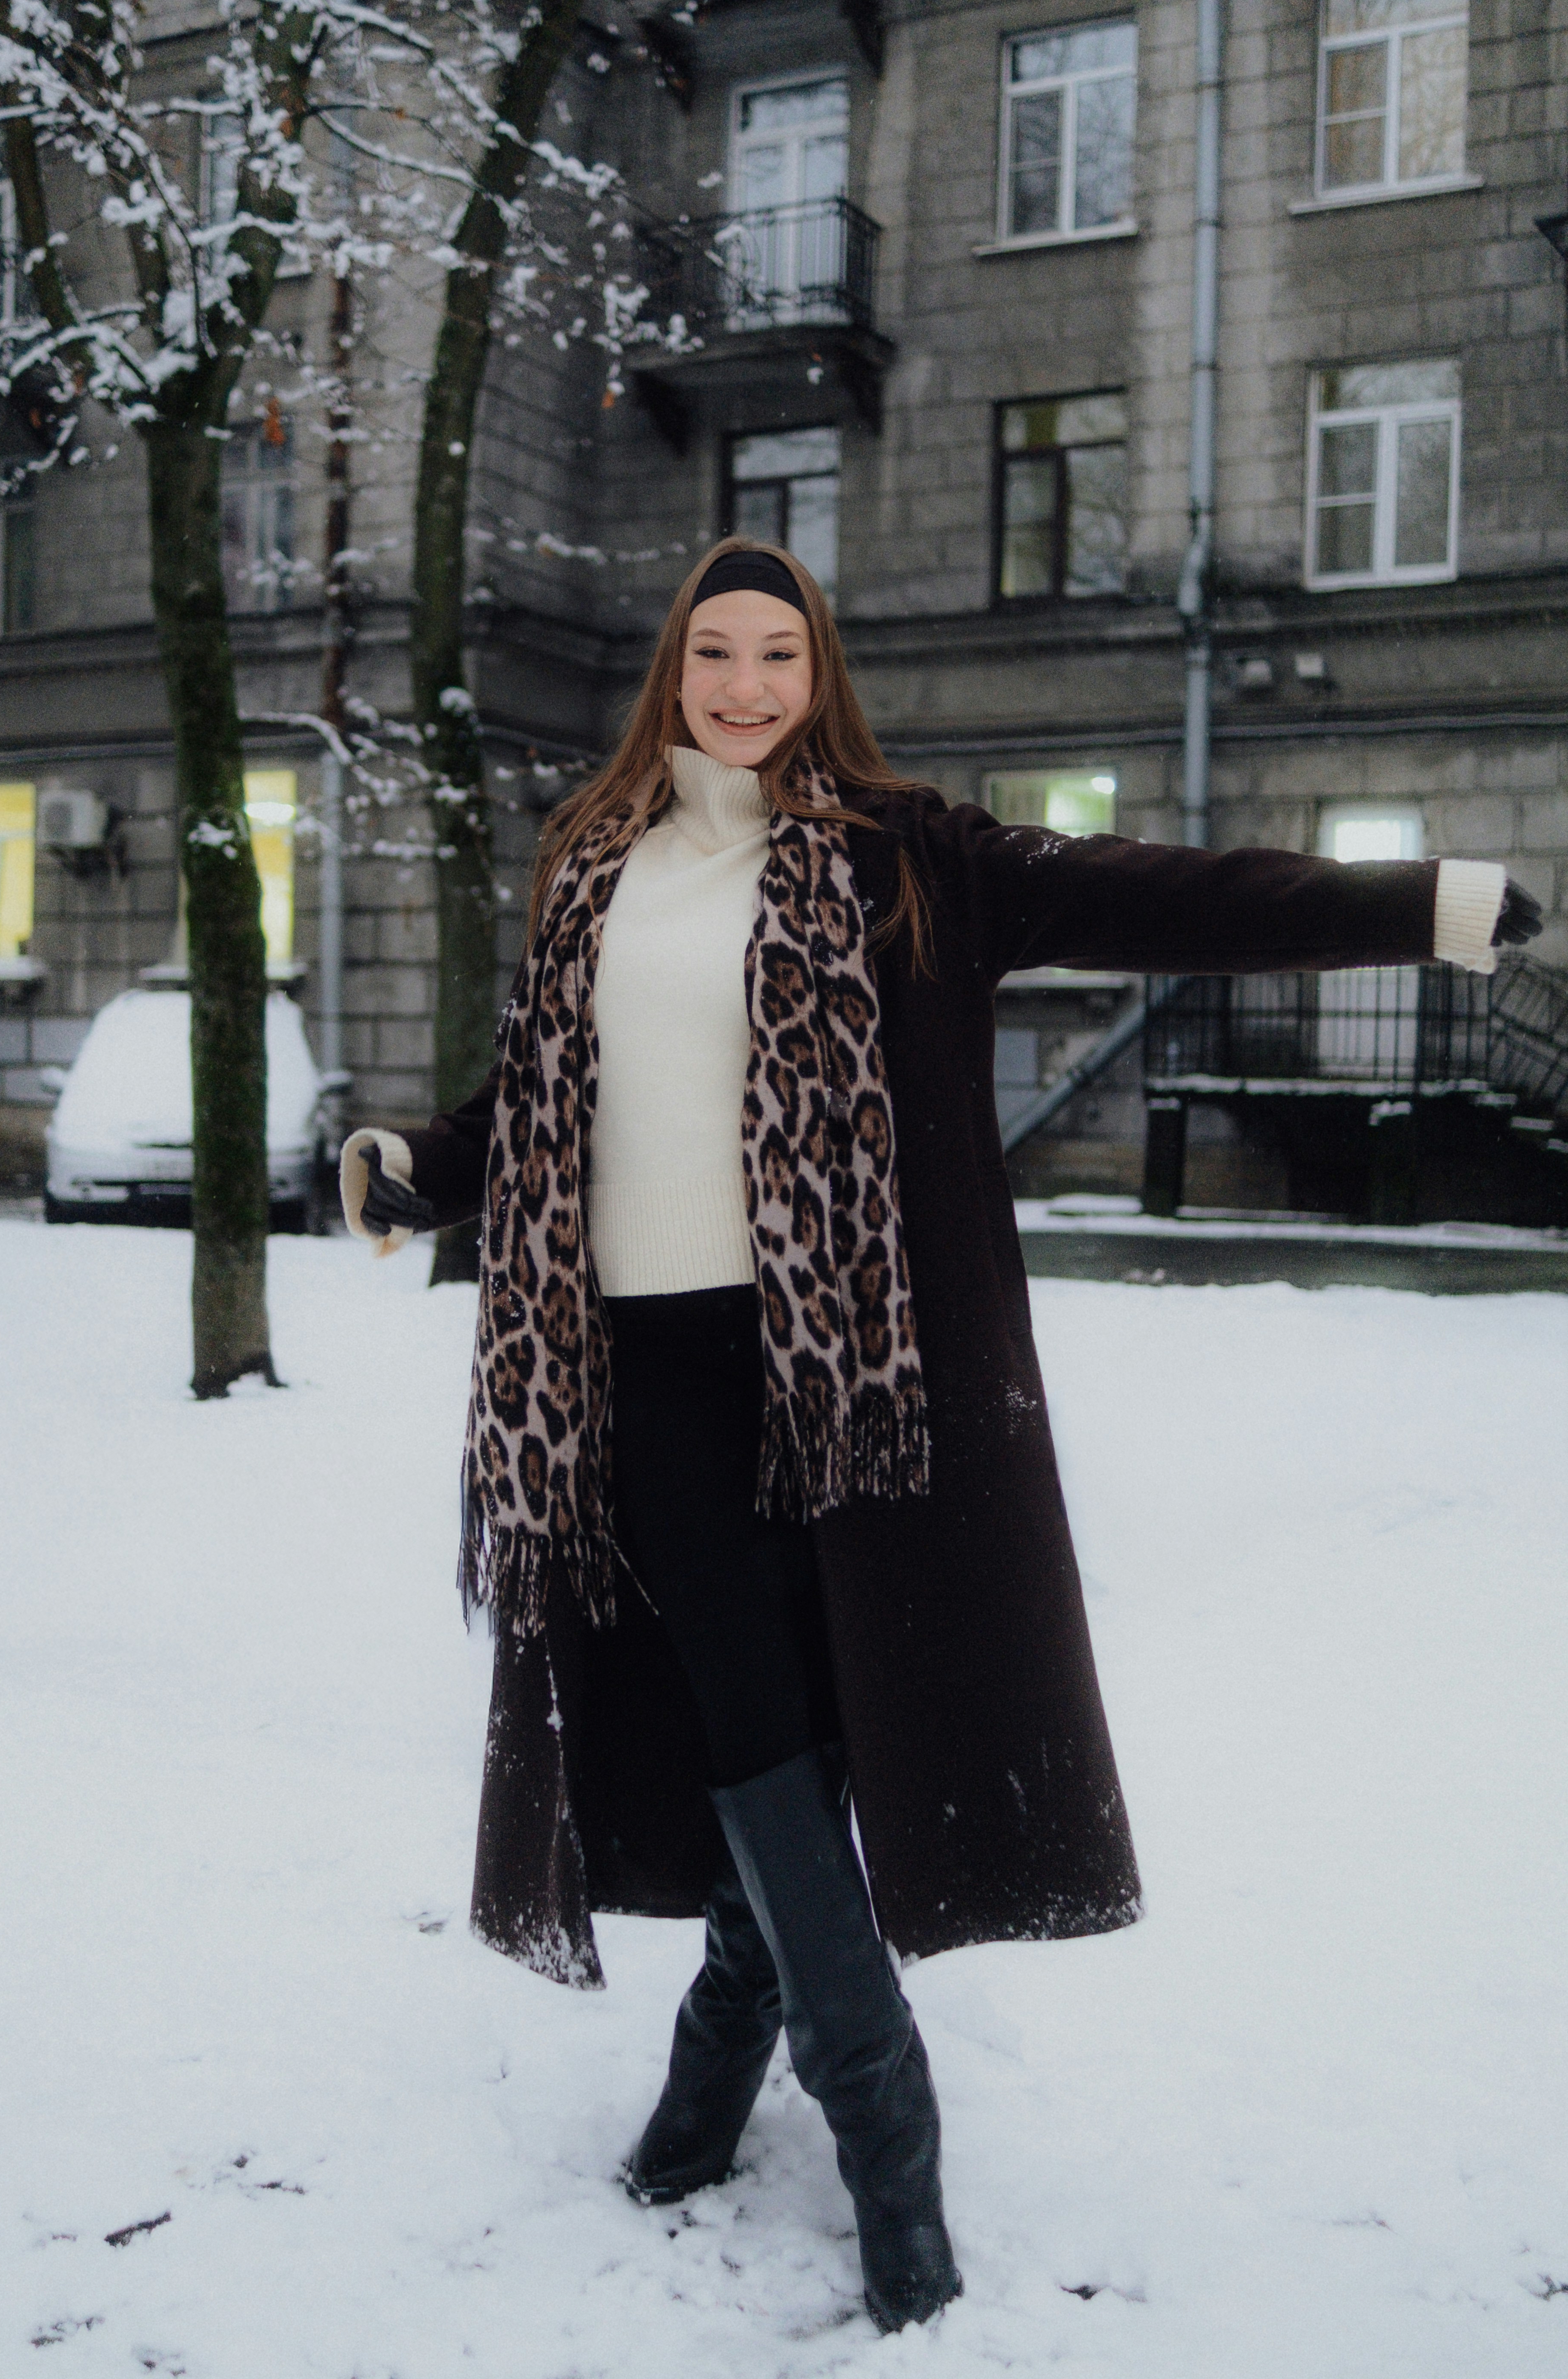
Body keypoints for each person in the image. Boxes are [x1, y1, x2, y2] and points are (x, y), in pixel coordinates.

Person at [340, 537, 1540, 2335]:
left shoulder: (914, 863)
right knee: (752, 1721)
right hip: (638, 1375)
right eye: (717, 654)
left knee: (820, 1736)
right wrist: (421, 1171)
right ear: (672, 669)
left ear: (821, 678)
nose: (746, 687)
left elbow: (1176, 895)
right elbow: (546, 1090)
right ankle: (889, 2135)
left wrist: (1425, 905)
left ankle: (713, 2078)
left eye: (782, 656)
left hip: (857, 1383)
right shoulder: (596, 870)